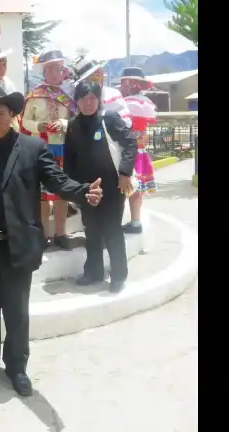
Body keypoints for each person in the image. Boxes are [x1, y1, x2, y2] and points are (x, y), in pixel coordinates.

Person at [0, 85, 103, 396]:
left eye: (0, 114)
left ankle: (16, 366)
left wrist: (83, 190)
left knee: (16, 310)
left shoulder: (32, 148)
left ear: (12, 116)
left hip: (17, 244)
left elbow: (57, 180)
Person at [64, 79, 138, 293]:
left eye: (93, 98)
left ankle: (118, 275)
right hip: (87, 190)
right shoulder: (73, 126)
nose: (89, 103)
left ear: (99, 100)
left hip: (113, 186)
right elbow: (70, 159)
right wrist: (72, 188)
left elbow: (130, 143)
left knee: (112, 230)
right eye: (84, 98)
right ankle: (93, 272)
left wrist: (125, 173)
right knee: (92, 231)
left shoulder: (109, 119)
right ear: (77, 101)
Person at [21, 49, 77, 250]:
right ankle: (44, 235)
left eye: (58, 69)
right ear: (43, 72)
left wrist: (63, 123)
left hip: (63, 148)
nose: (54, 73)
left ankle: (61, 233)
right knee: (43, 195)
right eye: (50, 69)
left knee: (62, 192)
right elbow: (25, 121)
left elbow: (76, 121)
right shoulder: (35, 95)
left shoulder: (70, 95)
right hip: (42, 149)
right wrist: (40, 127)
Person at [119, 67, 159, 232]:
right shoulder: (145, 104)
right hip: (140, 152)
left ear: (129, 83)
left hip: (128, 153)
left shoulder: (127, 104)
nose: (120, 87)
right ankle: (135, 221)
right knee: (137, 190)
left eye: (122, 83)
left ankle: (120, 221)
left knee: (125, 188)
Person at [67, 56, 131, 119]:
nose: (99, 76)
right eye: (92, 77)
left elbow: (127, 119)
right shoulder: (74, 96)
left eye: (99, 73)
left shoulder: (114, 94)